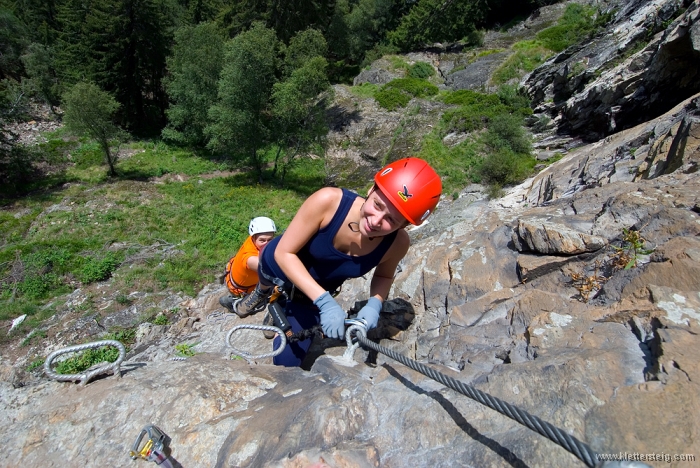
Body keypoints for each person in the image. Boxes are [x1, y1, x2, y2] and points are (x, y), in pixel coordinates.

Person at [235, 157, 442, 367]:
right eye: (377, 205)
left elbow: (384, 275)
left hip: (310, 294)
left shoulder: (397, 244)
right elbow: (284, 253)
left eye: (391, 220)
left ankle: (279, 302)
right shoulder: (329, 202)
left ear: (404, 225)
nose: (376, 220)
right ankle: (263, 292)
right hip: (280, 262)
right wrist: (325, 303)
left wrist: (375, 304)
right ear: (371, 190)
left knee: (287, 364)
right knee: (267, 278)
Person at [219, 216, 277, 315]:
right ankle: (234, 303)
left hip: (236, 276)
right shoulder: (250, 258)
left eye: (270, 240)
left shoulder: (254, 240)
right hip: (242, 290)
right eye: (262, 240)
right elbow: (270, 268)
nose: (266, 244)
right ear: (254, 238)